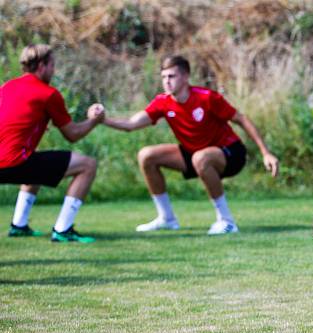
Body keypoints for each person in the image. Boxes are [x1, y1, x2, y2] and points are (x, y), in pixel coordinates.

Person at [101, 55, 279, 235]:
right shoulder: (163, 102)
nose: (167, 82)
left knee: (200, 158)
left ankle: (226, 221)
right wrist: (103, 120)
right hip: (194, 154)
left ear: (186, 77)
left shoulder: (207, 98)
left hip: (230, 153)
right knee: (146, 155)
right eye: (163, 77)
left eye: (172, 76)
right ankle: (167, 219)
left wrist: (266, 153)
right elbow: (131, 124)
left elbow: (241, 119)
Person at [0, 44, 104, 243]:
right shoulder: (48, 94)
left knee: (36, 162)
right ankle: (63, 230)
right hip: (14, 162)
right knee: (88, 164)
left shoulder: (6, 87)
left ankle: (19, 226)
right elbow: (72, 134)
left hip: (7, 160)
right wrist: (94, 121)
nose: (54, 70)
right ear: (42, 65)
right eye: (52, 65)